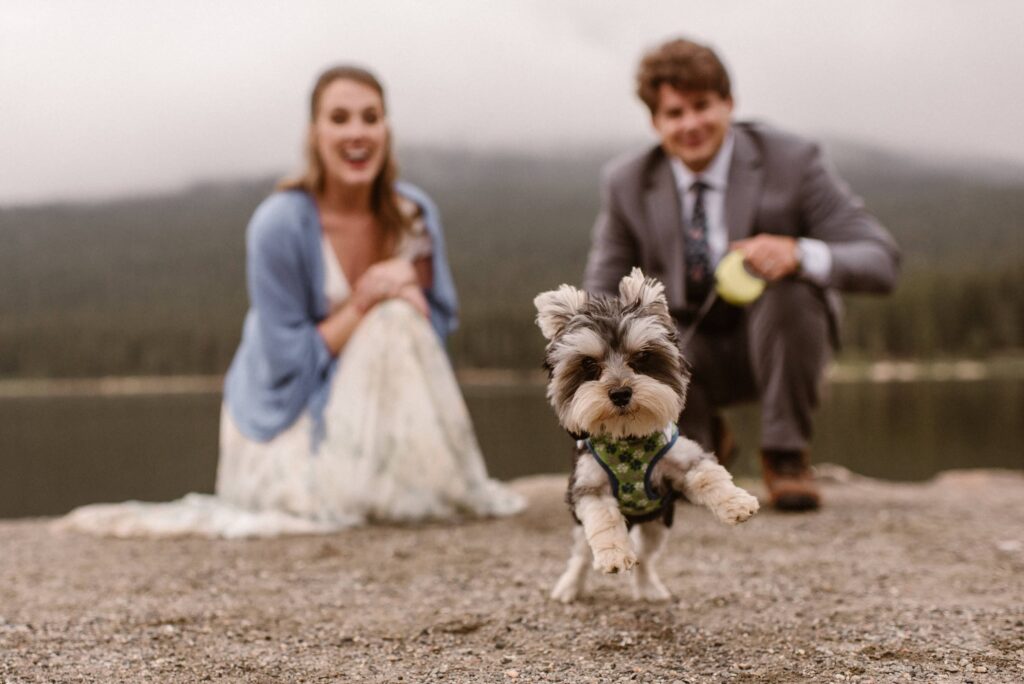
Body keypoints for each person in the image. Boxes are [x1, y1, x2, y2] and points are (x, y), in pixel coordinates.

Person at [58, 65, 523, 537]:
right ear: (314, 133)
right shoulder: (278, 223)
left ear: (386, 129)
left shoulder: (414, 215)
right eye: (339, 118)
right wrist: (365, 300)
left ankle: (406, 482)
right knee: (386, 317)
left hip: (383, 405)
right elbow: (289, 359)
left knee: (399, 318)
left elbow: (433, 338)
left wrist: (405, 290)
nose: (357, 132)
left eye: (370, 117)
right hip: (285, 413)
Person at [583, 38, 900, 512]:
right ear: (655, 122)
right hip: (685, 351)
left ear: (729, 103)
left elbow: (880, 259)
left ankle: (786, 456)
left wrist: (798, 253)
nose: (690, 124)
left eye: (702, 106)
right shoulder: (626, 181)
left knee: (790, 292)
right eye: (674, 113)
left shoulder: (794, 160)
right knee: (645, 332)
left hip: (778, 344)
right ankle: (700, 441)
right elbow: (602, 291)